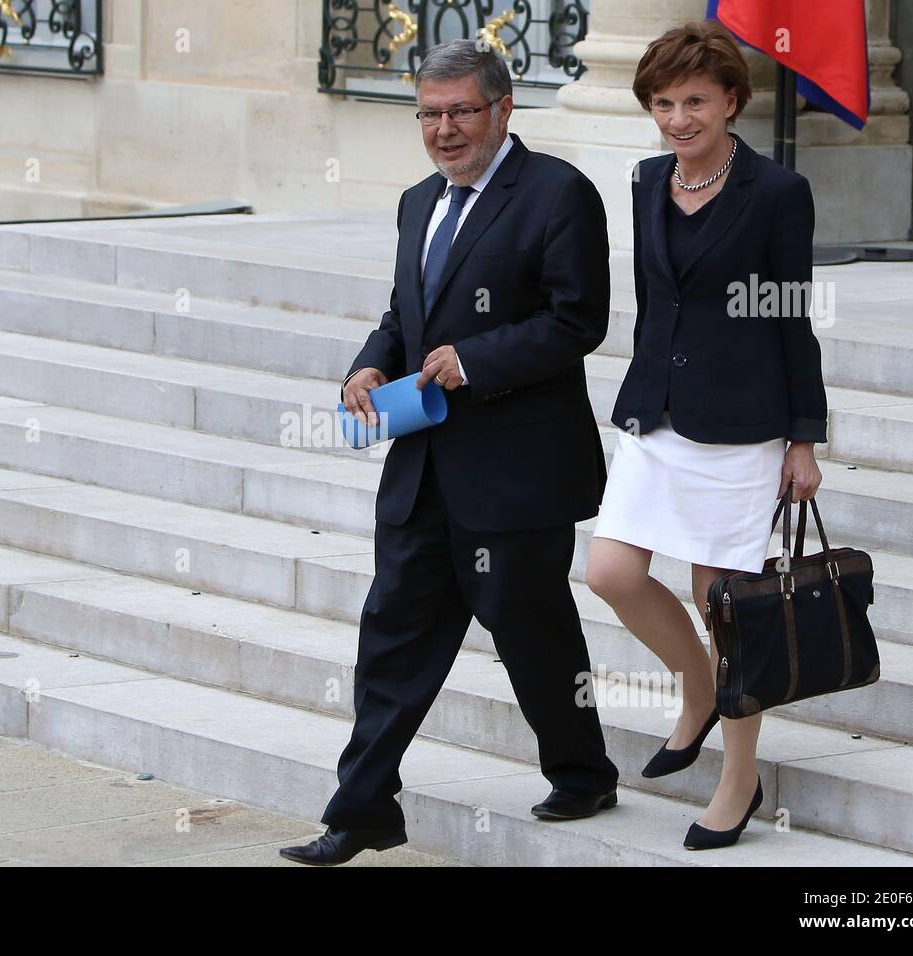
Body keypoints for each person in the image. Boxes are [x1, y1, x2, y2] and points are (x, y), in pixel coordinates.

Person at [279, 38, 618, 866]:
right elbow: (407, 315)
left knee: (533, 631)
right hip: (423, 464)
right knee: (391, 634)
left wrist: (476, 361)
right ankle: (363, 809)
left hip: (517, 472)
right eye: (429, 114)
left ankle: (581, 771)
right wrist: (372, 360)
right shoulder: (415, 202)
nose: (444, 130)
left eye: (462, 111)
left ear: (503, 110)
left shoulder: (558, 195)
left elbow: (580, 322)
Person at [584, 20, 827, 851]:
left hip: (742, 427)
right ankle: (695, 687)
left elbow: (792, 317)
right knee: (610, 570)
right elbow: (659, 304)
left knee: (725, 605)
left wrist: (803, 437)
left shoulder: (776, 194)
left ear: (731, 100)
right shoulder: (648, 180)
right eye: (663, 103)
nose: (678, 118)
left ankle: (738, 777)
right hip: (658, 415)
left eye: (694, 101)